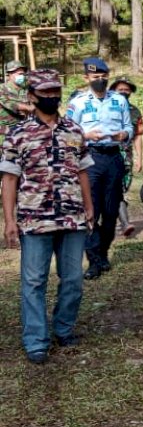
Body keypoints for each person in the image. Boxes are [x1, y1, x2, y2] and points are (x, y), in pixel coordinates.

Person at [0, 69, 94, 364]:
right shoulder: (17, 133)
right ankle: (36, 340)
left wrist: (89, 207)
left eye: (56, 92)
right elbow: (10, 179)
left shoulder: (74, 130)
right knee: (33, 281)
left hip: (72, 218)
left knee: (74, 279)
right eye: (46, 93)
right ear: (31, 97)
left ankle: (64, 329)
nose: (52, 97)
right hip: (34, 218)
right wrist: (9, 220)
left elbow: (82, 171)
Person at [67, 57, 133, 280]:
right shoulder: (77, 102)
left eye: (104, 77)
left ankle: (103, 251)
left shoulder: (119, 100)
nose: (100, 81)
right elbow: (67, 133)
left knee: (112, 211)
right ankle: (94, 260)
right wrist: (85, 135)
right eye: (96, 77)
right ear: (86, 78)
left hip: (113, 158)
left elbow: (129, 127)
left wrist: (124, 134)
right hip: (89, 159)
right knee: (91, 211)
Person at [109, 77, 143, 238]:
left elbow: (138, 136)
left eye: (126, 89)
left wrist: (139, 158)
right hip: (107, 154)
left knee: (120, 189)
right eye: (120, 89)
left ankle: (120, 221)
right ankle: (124, 223)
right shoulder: (105, 107)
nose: (123, 92)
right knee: (115, 190)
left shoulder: (135, 111)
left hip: (126, 156)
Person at [0, 61, 34, 152]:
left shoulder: (25, 89)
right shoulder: (2, 88)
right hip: (5, 132)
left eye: (23, 74)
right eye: (19, 74)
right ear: (10, 74)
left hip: (24, 131)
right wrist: (28, 108)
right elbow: (9, 104)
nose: (22, 76)